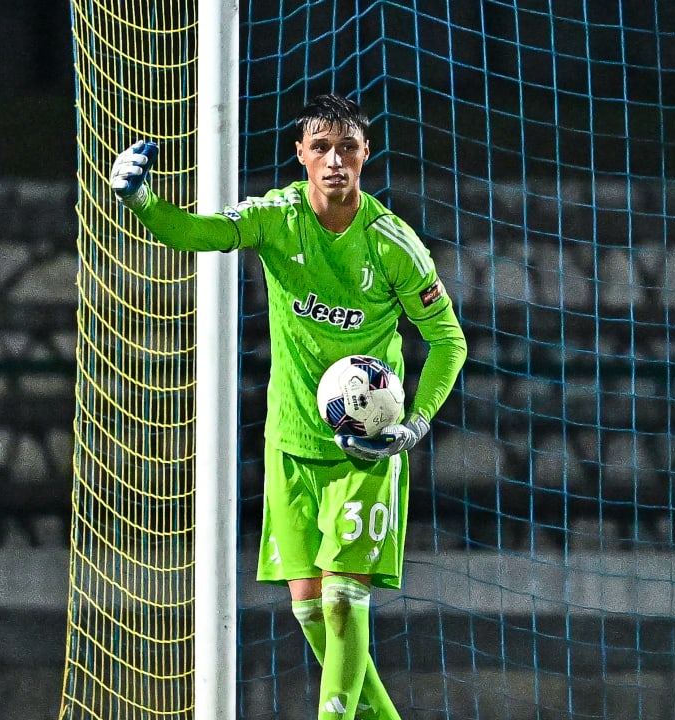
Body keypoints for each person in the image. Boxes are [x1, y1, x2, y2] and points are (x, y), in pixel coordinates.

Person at [109, 93, 467, 720]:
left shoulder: (391, 244)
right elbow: (202, 233)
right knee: (308, 606)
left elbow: (448, 341)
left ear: (365, 156)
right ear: (300, 154)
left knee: (341, 601)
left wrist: (412, 425)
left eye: (347, 148)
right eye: (321, 147)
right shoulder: (277, 217)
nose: (335, 161)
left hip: (366, 450)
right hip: (292, 440)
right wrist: (141, 200)